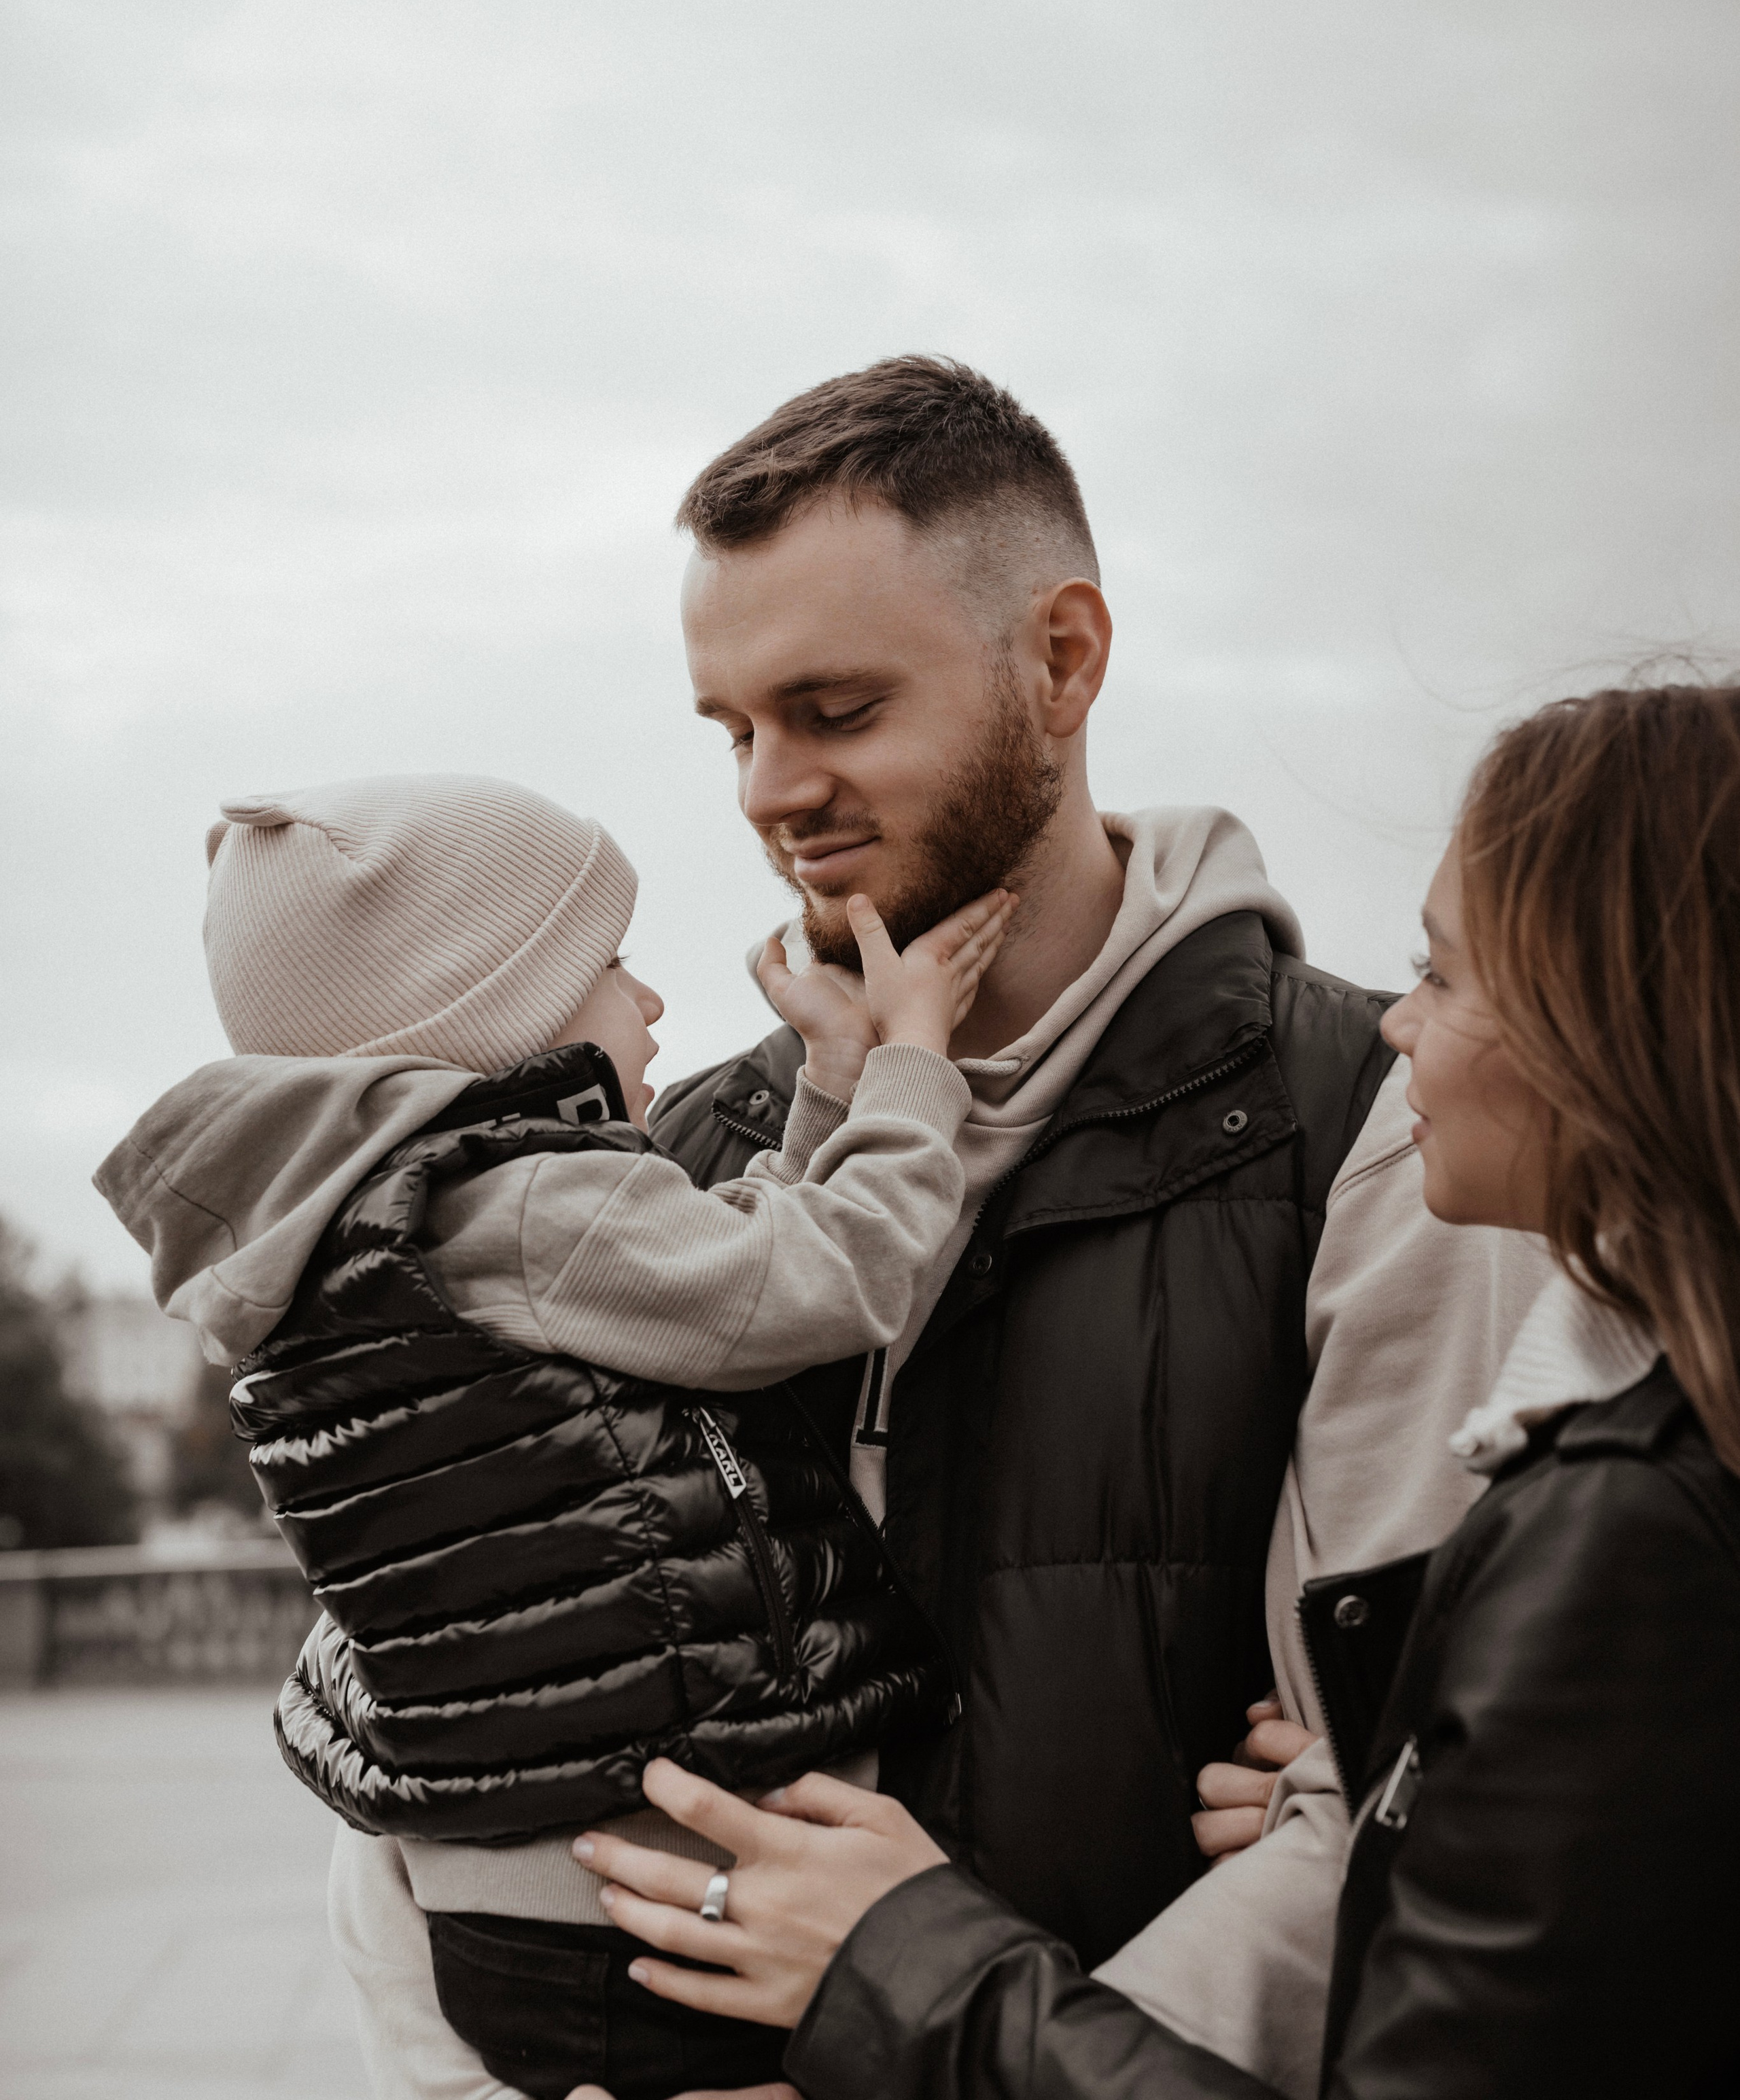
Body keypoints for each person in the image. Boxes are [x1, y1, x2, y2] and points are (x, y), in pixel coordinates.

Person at [572, 679, 1740, 2100]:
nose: (1397, 1027)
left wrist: (900, 1960)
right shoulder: (1621, 1476)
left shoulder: (1628, 1526)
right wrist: (1376, 1812)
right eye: (733, 731)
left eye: (1443, 973)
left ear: (1617, 1024)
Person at [638, 355, 1544, 2069]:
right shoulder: (689, 1160)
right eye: (735, 731)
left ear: (1060, 661)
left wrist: (931, 2039)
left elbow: (1393, 1821)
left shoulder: (1378, 1122)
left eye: (833, 714)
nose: (766, 791)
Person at [94, 770, 1016, 2100]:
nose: (648, 1003)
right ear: (487, 1015)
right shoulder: (533, 1206)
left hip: (502, 1909)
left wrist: (819, 1087)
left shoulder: (372, 1236)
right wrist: (910, 1068)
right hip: (651, 1905)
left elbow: (718, 1283)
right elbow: (822, 1282)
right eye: (613, 961)